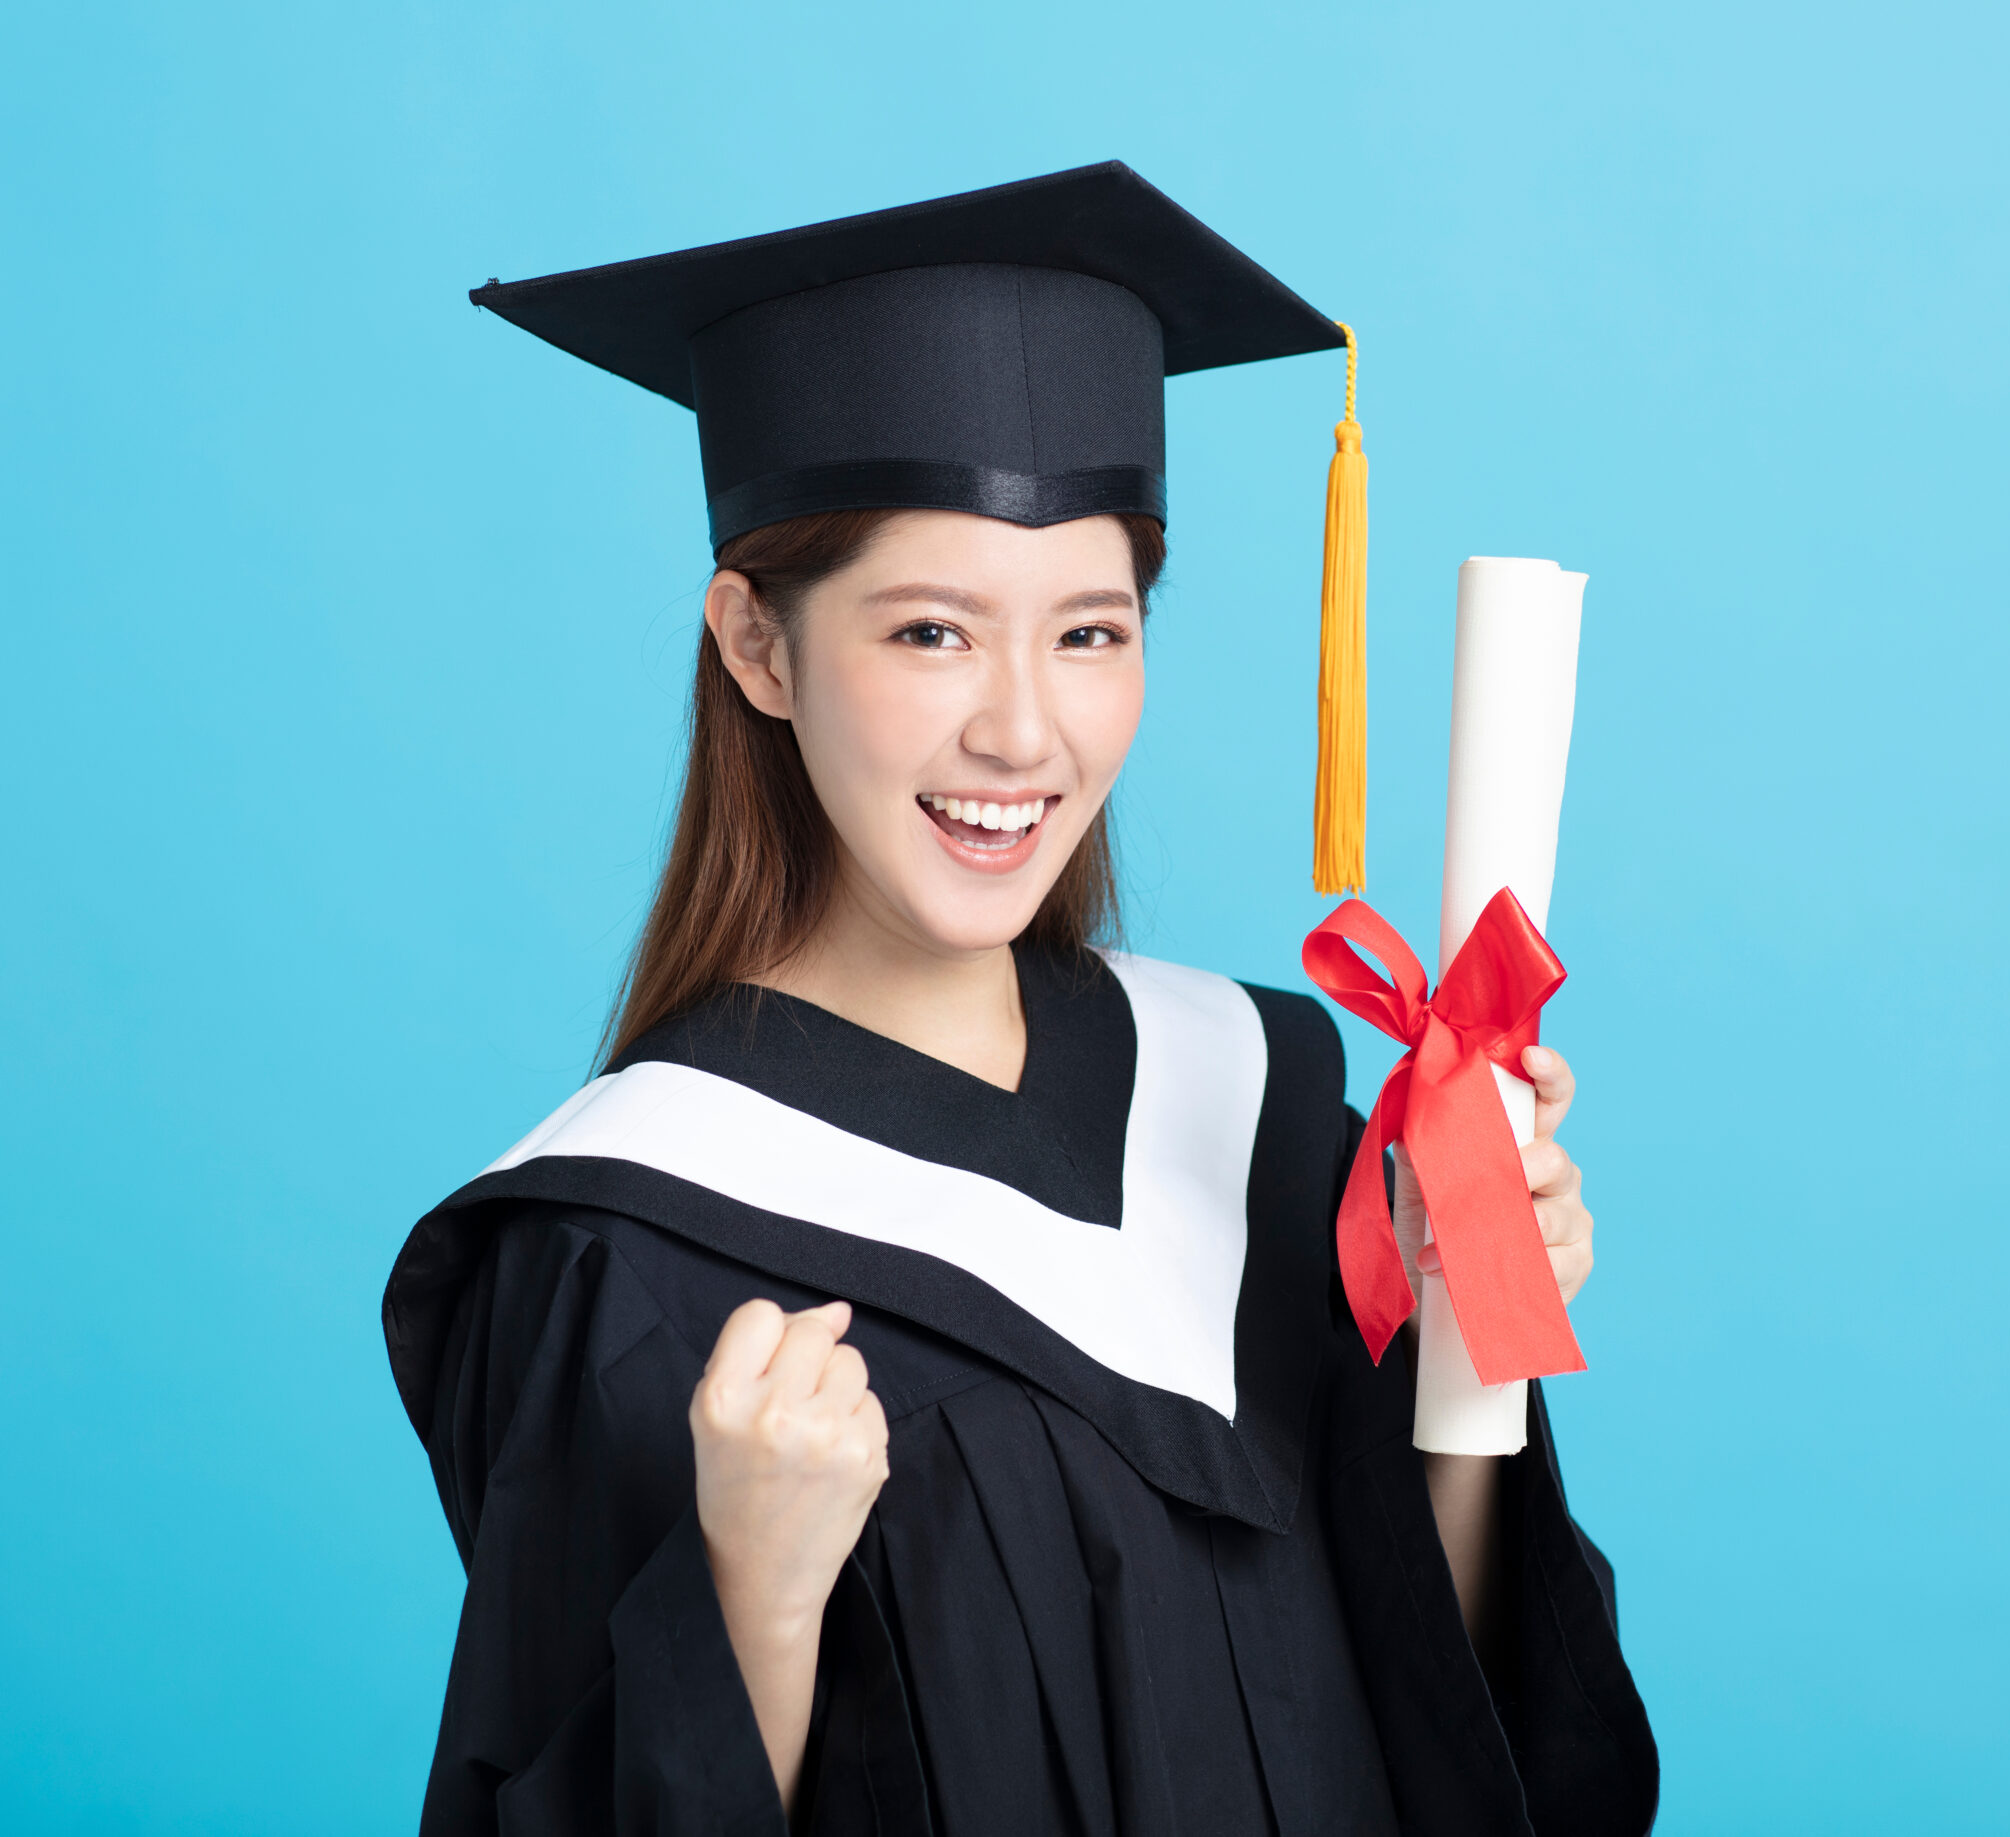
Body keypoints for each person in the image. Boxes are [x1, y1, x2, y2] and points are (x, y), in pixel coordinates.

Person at [383, 162, 1657, 1837]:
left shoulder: (1263, 1122)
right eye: (929, 631)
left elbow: (1464, 1715)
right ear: (758, 647)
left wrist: (1467, 1347)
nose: (1024, 735)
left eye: (1090, 631)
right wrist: (748, 1601)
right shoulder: (621, 1260)